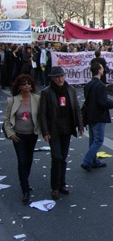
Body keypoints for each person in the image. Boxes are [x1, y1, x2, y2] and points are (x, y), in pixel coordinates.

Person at [39, 66, 84, 200]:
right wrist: (45, 131)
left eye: (62, 76)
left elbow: (76, 108)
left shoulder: (71, 90)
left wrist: (80, 126)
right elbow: (42, 114)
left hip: (67, 128)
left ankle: (62, 183)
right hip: (54, 129)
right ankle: (54, 187)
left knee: (63, 158)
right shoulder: (47, 92)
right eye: (58, 77)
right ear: (52, 78)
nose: (60, 79)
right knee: (56, 157)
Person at [3, 75, 40, 203]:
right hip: (18, 135)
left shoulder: (37, 99)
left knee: (29, 160)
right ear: (18, 86)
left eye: (29, 83)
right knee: (22, 161)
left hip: (32, 134)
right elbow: (7, 120)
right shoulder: (12, 101)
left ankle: (26, 180)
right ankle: (25, 190)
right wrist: (11, 134)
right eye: (24, 84)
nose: (26, 86)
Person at [80, 62, 113, 172]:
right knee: (98, 140)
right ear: (99, 70)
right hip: (98, 115)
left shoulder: (88, 85)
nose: (103, 70)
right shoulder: (100, 85)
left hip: (90, 115)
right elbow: (103, 102)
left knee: (93, 139)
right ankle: (86, 161)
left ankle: (93, 161)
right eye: (102, 68)